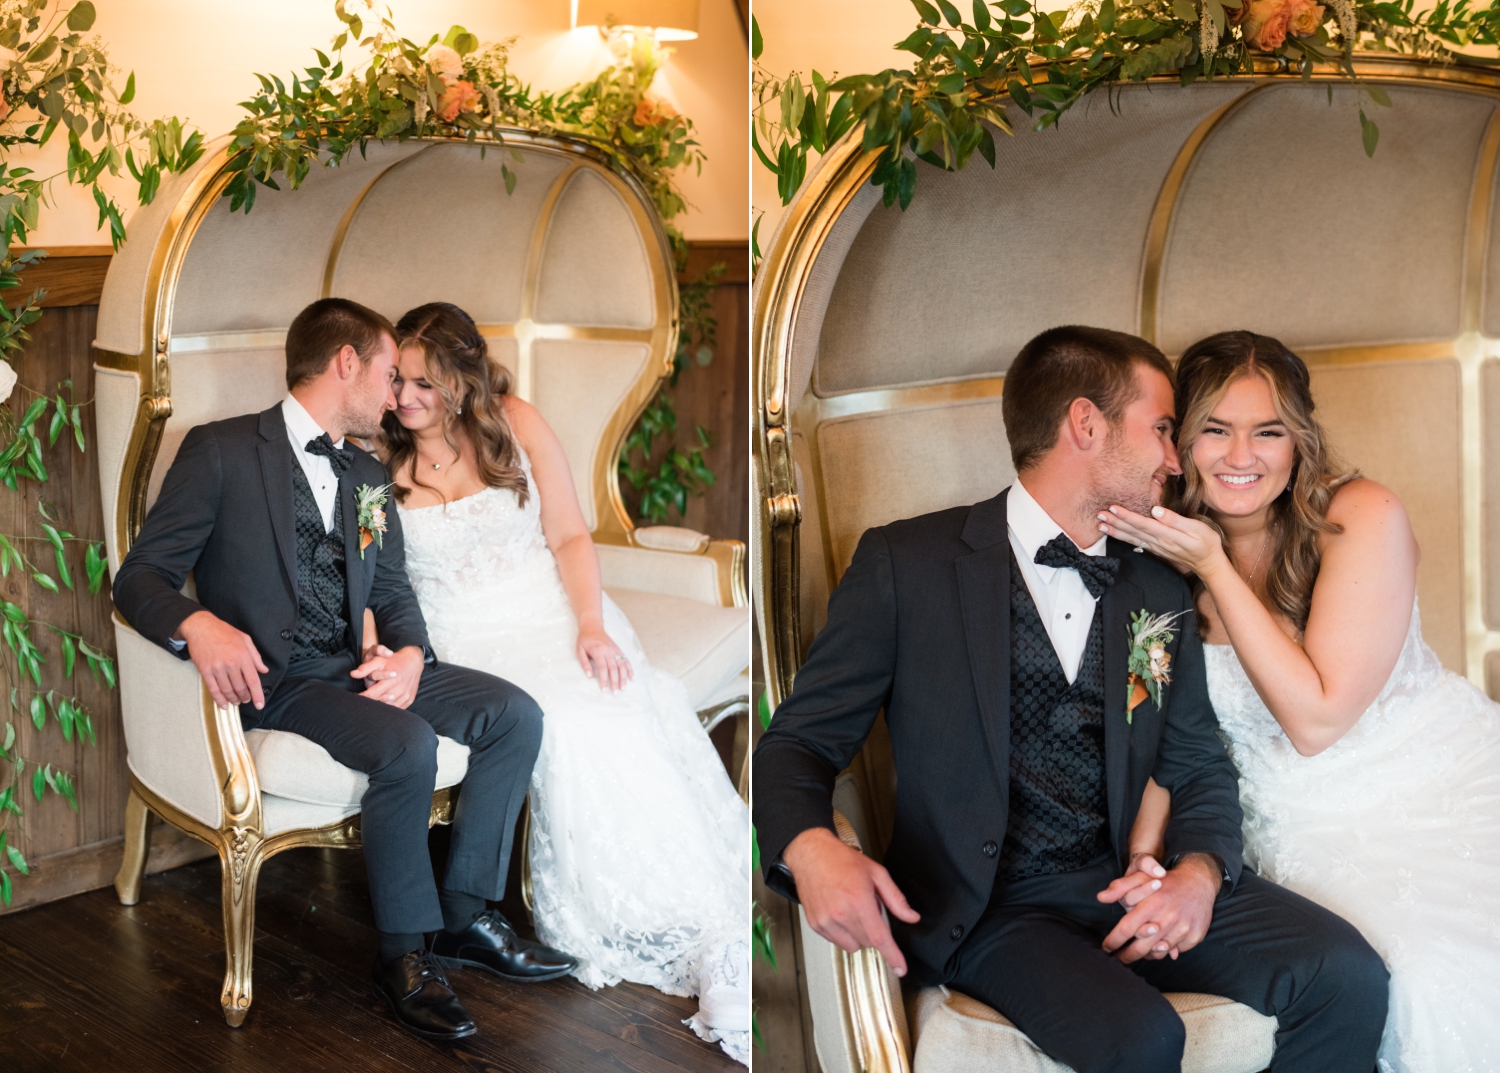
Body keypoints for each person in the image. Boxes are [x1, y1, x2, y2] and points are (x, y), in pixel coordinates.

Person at [753, 324, 1391, 1073]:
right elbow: (797, 741)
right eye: (1160, 428)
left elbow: (1195, 759)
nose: (1174, 457)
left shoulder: (1156, 585)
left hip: (1125, 881)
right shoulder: (908, 565)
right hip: (993, 908)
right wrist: (810, 846)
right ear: (1085, 424)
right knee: (1142, 1036)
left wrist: (1197, 876)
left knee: (1346, 974)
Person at [113, 297, 579, 1044]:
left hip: (354, 667)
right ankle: (403, 958)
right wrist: (199, 624)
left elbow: (392, 592)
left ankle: (463, 915)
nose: (396, 395)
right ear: (347, 363)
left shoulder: (364, 473)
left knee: (513, 714)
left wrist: (408, 657)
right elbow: (139, 578)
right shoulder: (223, 451)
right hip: (282, 682)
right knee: (406, 747)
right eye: (391, 374)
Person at [1097, 329, 1500, 1073]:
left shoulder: (1362, 514)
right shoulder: (1156, 561)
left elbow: (1315, 720)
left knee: (1444, 976)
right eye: (1215, 429)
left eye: (1268, 431)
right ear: (1181, 441)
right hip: (1278, 823)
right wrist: (1145, 859)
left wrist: (1213, 565)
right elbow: (1151, 722)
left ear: (1300, 440)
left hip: (1432, 787)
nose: (1241, 455)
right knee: (1382, 970)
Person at [374, 302, 750, 1065]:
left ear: (461, 379)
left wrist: (589, 624)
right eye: (397, 380)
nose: (404, 396)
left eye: (423, 381)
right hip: (463, 642)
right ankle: (489, 918)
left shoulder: (513, 421)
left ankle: (691, 911)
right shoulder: (376, 460)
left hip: (549, 613)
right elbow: (371, 580)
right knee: (557, 723)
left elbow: (571, 534)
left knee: (610, 702)